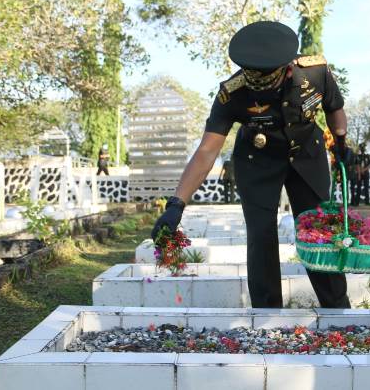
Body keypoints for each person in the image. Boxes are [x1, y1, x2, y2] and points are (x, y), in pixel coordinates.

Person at [151, 21, 352, 308]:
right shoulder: (231, 93)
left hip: (307, 155)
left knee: (317, 230)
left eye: (267, 81)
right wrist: (176, 204)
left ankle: (337, 306)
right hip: (257, 161)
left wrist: (341, 144)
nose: (260, 88)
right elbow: (207, 150)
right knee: (261, 235)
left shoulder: (316, 71)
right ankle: (268, 314)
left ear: (289, 68)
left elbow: (335, 109)